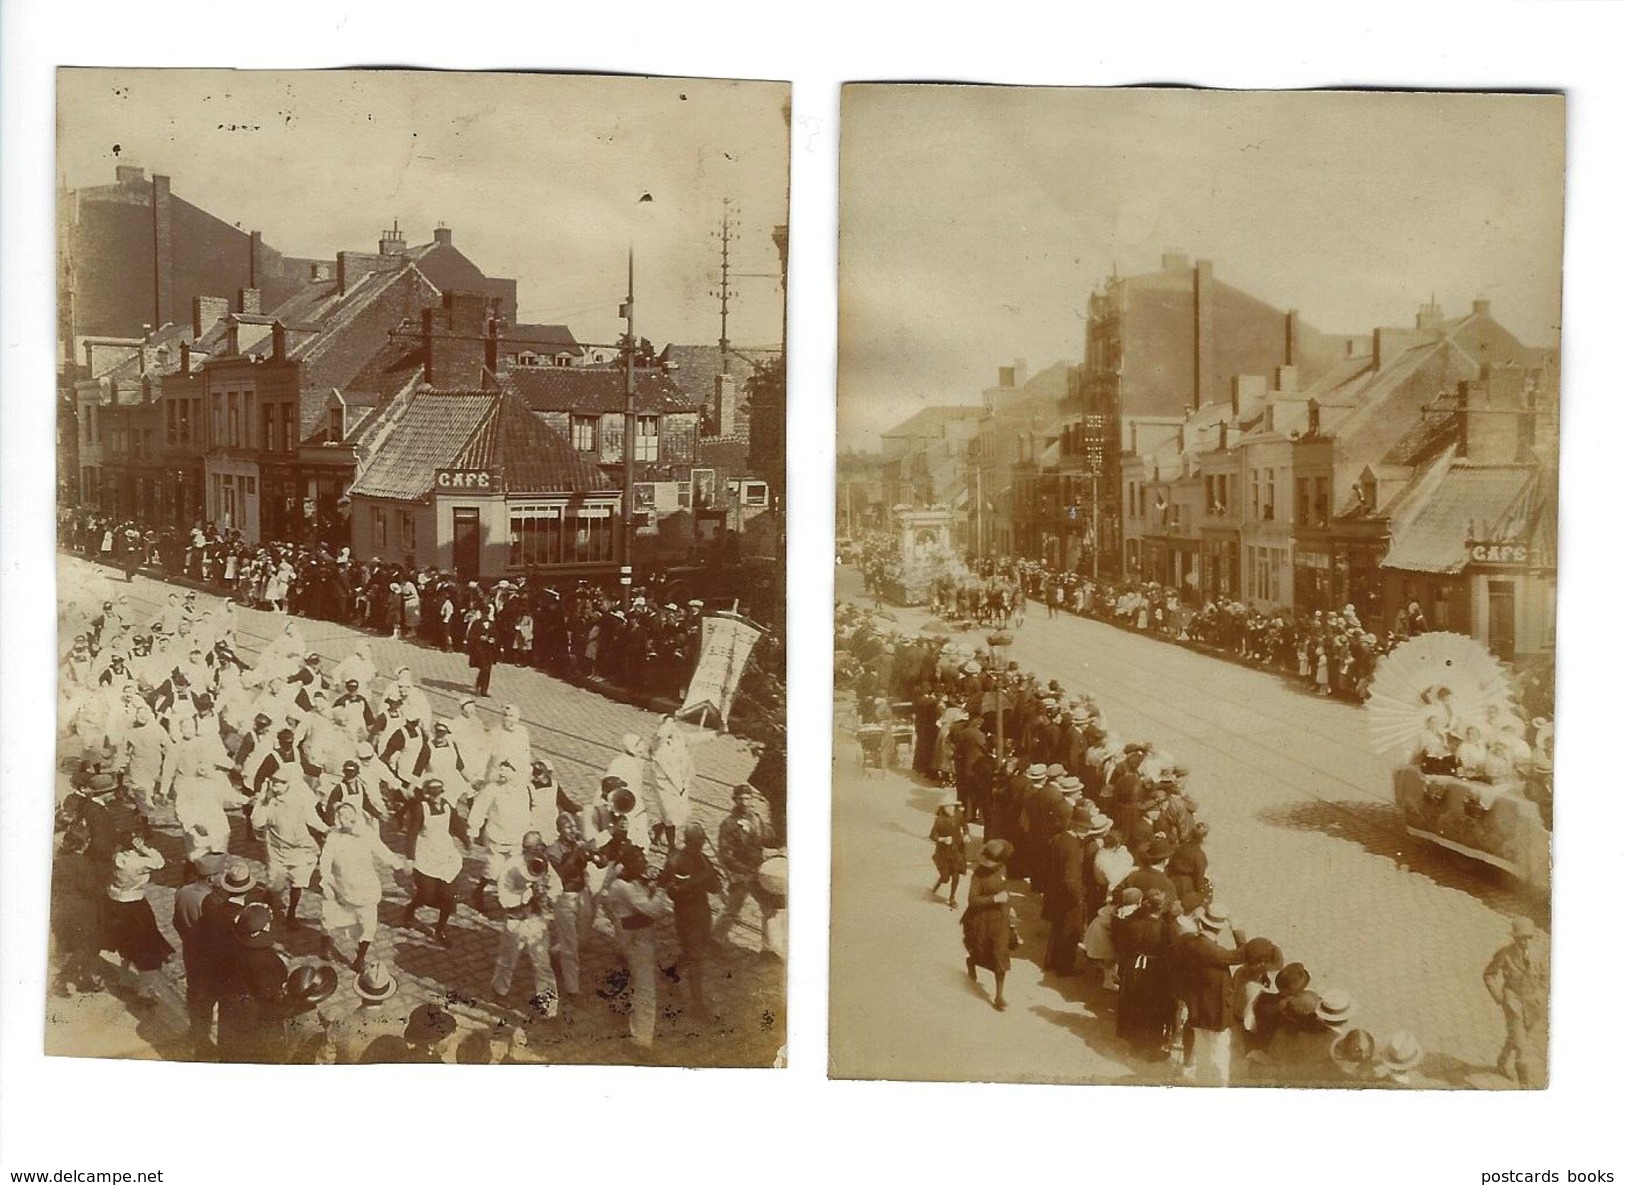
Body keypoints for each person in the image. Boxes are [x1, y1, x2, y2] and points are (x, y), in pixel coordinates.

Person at [318, 801, 410, 971]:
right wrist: (329, 885)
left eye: (348, 814)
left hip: (365, 890)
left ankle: (359, 959)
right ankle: (325, 947)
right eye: (341, 815)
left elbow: (382, 851)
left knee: (368, 926)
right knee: (328, 920)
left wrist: (399, 865)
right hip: (340, 889)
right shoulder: (333, 838)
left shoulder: (366, 834)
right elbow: (324, 864)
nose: (345, 818)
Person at [602, 844, 672, 1050]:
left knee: (631, 975)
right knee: (646, 990)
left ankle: (620, 1006)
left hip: (630, 936)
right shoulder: (623, 887)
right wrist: (660, 888)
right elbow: (654, 911)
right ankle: (641, 1040)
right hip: (638, 940)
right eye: (639, 861)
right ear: (629, 864)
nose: (645, 863)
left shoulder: (623, 877)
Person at [656, 821, 723, 1022]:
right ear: (689, 840)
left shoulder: (703, 859)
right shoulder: (676, 859)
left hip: (702, 912)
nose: (701, 845)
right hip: (686, 915)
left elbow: (714, 887)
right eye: (697, 841)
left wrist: (713, 880)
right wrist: (697, 881)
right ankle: (698, 1005)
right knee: (697, 957)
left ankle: (670, 974)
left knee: (694, 951)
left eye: (702, 841)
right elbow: (669, 889)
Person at [98, 831, 173, 1007]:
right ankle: (143, 991)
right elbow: (159, 862)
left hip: (116, 903)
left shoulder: (117, 857)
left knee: (125, 945)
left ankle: (124, 980)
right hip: (135, 906)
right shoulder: (140, 862)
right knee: (147, 949)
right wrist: (144, 848)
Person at [250, 771, 328, 929]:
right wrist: (264, 800)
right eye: (273, 782)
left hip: (301, 848)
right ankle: (269, 898)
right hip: (277, 849)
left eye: (280, 783)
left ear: (288, 784)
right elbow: (257, 822)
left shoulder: (299, 799)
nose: (275, 786)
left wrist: (326, 830)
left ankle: (291, 914)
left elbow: (311, 818)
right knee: (275, 884)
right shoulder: (268, 800)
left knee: (298, 883)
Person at [491, 833, 558, 1015]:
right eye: (532, 848)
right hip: (516, 920)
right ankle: (499, 990)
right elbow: (504, 900)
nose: (537, 851)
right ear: (524, 849)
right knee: (508, 960)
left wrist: (547, 897)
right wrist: (527, 897)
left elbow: (557, 885)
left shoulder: (544, 863)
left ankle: (549, 1008)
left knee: (543, 964)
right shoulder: (511, 867)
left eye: (540, 847)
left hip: (536, 920)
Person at [216, 901, 288, 1063]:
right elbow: (269, 993)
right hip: (255, 1016)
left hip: (230, 1005)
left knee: (231, 1050)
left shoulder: (231, 943)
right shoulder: (265, 961)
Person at [1483, 916, 1548, 1087]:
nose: (1525, 941)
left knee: (1516, 1037)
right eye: (1521, 937)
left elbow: (1544, 978)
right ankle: (1524, 1086)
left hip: (1533, 1006)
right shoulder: (1505, 954)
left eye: (1528, 937)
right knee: (1522, 1049)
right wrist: (1500, 997)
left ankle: (1502, 1061)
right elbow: (1489, 974)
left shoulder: (1539, 953)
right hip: (1514, 1005)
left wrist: (1540, 995)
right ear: (1514, 937)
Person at [401, 778, 464, 944]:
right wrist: (409, 858)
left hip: (446, 854)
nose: (436, 797)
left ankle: (440, 929)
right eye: (433, 793)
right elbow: (411, 835)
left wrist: (466, 840)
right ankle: (411, 909)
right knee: (427, 896)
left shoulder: (447, 806)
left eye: (439, 793)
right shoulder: (420, 809)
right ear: (426, 794)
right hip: (426, 855)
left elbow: (456, 823)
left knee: (449, 897)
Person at [712, 784, 774, 952]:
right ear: (734, 799)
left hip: (759, 870)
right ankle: (716, 939)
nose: (744, 802)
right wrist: (743, 870)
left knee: (769, 907)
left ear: (752, 799)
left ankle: (768, 948)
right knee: (732, 909)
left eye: (747, 798)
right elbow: (726, 855)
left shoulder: (756, 817)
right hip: (742, 873)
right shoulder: (729, 824)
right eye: (740, 799)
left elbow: (767, 838)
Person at [544, 810, 597, 1000]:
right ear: (559, 830)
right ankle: (572, 988)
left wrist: (592, 853)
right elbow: (561, 875)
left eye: (574, 826)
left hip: (582, 895)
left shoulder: (578, 843)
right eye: (568, 827)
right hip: (564, 898)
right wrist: (576, 853)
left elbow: (598, 861)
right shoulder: (552, 851)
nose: (573, 830)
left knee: (582, 937)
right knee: (570, 946)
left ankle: (553, 953)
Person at [962, 838, 1015, 1011]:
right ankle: (972, 961)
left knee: (1000, 954)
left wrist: (1010, 908)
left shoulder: (1002, 868)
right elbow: (972, 900)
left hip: (1000, 918)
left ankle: (999, 996)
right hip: (981, 919)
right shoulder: (978, 875)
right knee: (982, 950)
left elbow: (1004, 889)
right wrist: (994, 899)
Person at [647, 715, 695, 850]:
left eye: (674, 724)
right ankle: (672, 847)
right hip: (664, 785)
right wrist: (671, 719)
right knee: (671, 817)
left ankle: (657, 830)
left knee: (676, 814)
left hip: (679, 784)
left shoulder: (678, 738)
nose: (673, 726)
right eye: (669, 724)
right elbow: (662, 734)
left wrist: (717, 733)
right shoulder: (657, 742)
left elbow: (695, 738)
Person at [929, 803, 969, 908]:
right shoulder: (939, 820)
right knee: (946, 878)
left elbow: (965, 826)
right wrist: (943, 839)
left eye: (952, 806)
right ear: (942, 808)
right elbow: (932, 835)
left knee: (956, 874)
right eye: (947, 807)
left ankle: (952, 898)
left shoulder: (959, 815)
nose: (950, 809)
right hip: (944, 851)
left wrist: (966, 835)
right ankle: (941, 880)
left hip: (957, 849)